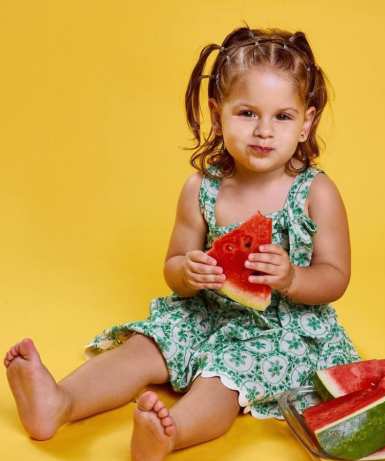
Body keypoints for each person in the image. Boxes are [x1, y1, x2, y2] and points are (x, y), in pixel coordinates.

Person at [4, 25, 360, 461]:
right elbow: (174, 266)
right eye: (247, 113)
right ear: (218, 113)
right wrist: (188, 272)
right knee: (141, 348)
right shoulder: (202, 187)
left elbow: (335, 276)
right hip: (205, 311)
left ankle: (170, 435)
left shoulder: (316, 192)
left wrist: (292, 277)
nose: (264, 131)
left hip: (281, 331)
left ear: (305, 123)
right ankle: (58, 403)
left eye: (282, 117)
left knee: (223, 380)